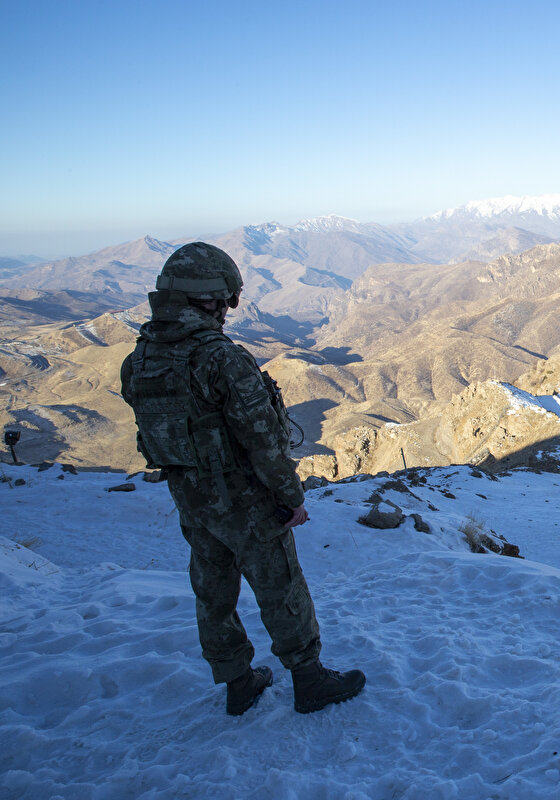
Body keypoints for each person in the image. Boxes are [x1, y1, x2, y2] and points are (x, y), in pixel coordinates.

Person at [120, 242, 365, 715]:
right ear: (211, 297)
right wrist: (290, 497)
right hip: (246, 500)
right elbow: (263, 442)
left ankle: (237, 682)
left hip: (192, 499)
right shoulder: (221, 358)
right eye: (227, 299)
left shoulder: (141, 359)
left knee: (213, 592)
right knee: (280, 586)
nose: (230, 310)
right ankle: (310, 680)